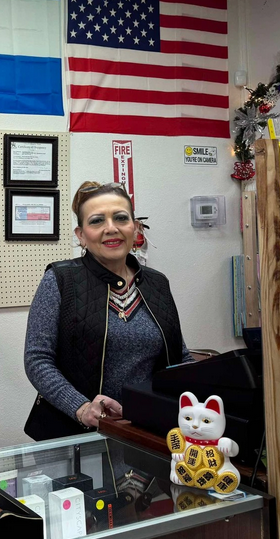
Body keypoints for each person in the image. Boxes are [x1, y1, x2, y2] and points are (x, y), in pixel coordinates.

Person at [23, 181, 191, 440]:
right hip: (73, 435)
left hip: (147, 434)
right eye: (97, 221)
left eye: (121, 218)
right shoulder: (60, 280)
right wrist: (80, 408)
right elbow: (37, 360)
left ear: (135, 228)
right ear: (80, 235)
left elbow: (179, 357)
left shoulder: (158, 284)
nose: (111, 228)